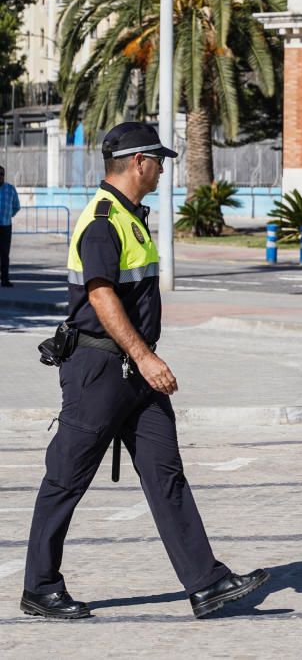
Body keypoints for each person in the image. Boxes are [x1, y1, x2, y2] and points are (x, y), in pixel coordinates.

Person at [21, 122, 268, 620]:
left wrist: (142, 359)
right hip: (102, 368)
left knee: (165, 475)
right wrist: (145, 356)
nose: (161, 169)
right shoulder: (103, 221)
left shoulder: (130, 217)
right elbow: (100, 295)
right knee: (65, 478)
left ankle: (206, 582)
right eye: (157, 160)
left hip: (133, 372)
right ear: (138, 162)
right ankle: (40, 587)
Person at [0, 164, 21, 287]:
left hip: (6, 226)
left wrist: (8, 216)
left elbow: (16, 206)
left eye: (2, 174)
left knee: (4, 254)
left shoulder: (10, 189)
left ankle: (5, 279)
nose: (0, 176)